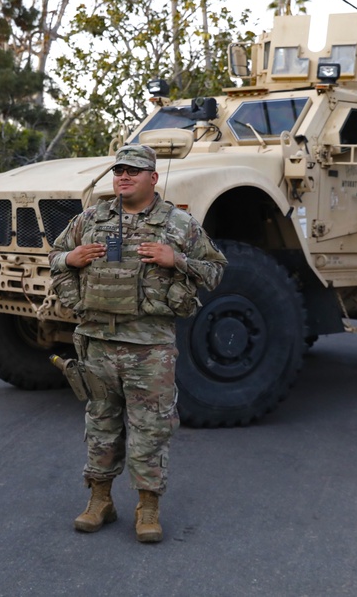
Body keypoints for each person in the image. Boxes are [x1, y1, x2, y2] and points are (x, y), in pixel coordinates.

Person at [49, 144, 227, 543]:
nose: (124, 177)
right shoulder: (90, 219)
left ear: (153, 177)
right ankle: (100, 501)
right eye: (119, 171)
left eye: (134, 170)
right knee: (101, 424)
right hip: (96, 340)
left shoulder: (179, 225)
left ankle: (148, 507)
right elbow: (55, 257)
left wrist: (176, 260)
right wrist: (70, 261)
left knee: (151, 428)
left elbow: (215, 270)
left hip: (150, 346)